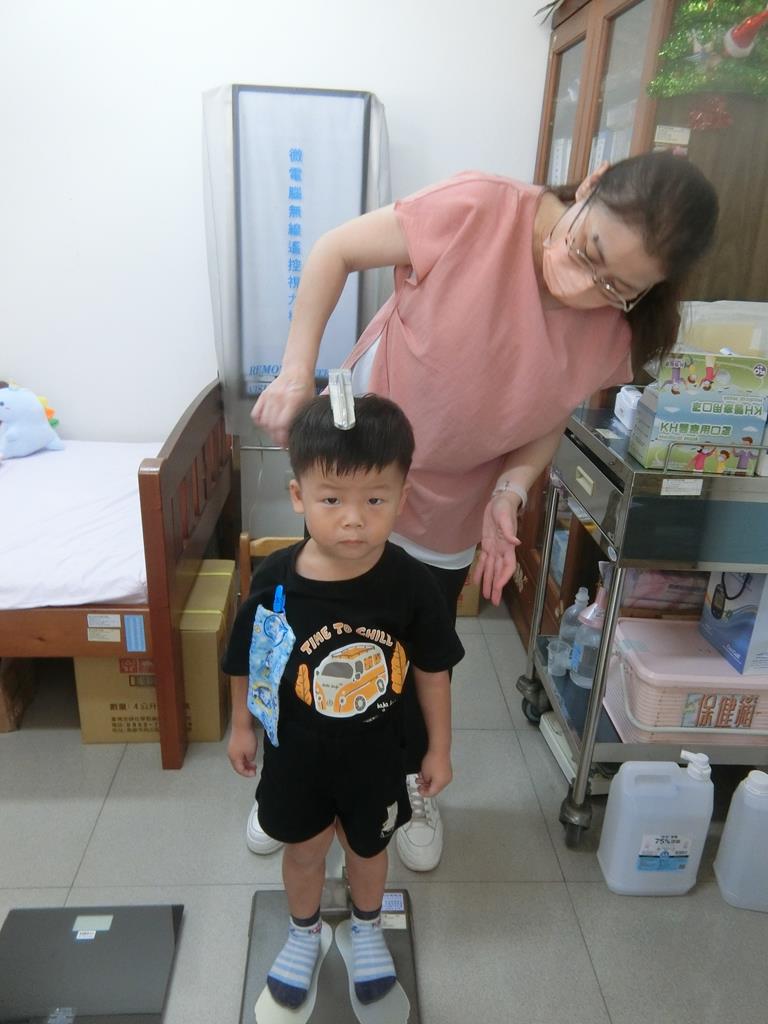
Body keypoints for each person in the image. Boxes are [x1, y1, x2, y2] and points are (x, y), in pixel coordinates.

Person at [248, 151, 719, 870]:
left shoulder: (618, 332)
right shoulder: (479, 210)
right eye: (589, 251)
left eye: (617, 287)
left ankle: (409, 782)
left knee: (414, 650)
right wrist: (293, 372)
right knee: (312, 629)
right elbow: (334, 250)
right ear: (590, 185)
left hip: (452, 502)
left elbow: (546, 418)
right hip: (358, 470)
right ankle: (286, 784)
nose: (585, 287)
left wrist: (511, 492)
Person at [224, 394, 464, 1010]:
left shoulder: (411, 584)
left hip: (377, 756)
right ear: (298, 496)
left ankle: (366, 927)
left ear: (403, 496)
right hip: (296, 757)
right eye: (332, 500)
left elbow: (433, 670)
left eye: (375, 500)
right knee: (304, 851)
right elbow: (251, 657)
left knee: (369, 850)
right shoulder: (274, 580)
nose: (354, 520)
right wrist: (241, 727)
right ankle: (303, 933)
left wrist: (438, 748)